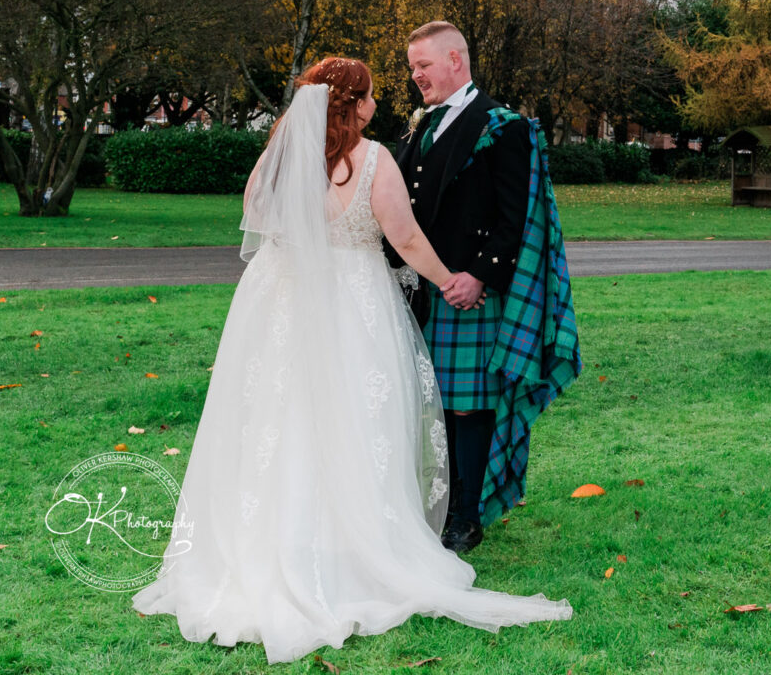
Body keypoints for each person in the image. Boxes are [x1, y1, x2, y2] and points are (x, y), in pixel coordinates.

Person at [131, 57, 572, 665]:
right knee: (352, 418)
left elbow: (255, 214)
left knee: (277, 419)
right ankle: (349, 546)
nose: (376, 105)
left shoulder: (282, 156)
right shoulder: (373, 161)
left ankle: (268, 542)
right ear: (355, 103)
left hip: (277, 305)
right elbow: (408, 239)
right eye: (369, 97)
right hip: (354, 305)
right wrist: (449, 281)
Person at [389, 22, 580, 555]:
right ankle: (433, 504)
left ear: (455, 60)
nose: (415, 76)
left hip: (467, 292)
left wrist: (481, 275)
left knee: (468, 405)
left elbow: (515, 217)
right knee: (429, 403)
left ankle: (465, 517)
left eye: (422, 65)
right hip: (419, 291)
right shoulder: (419, 127)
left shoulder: (503, 126)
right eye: (411, 68)